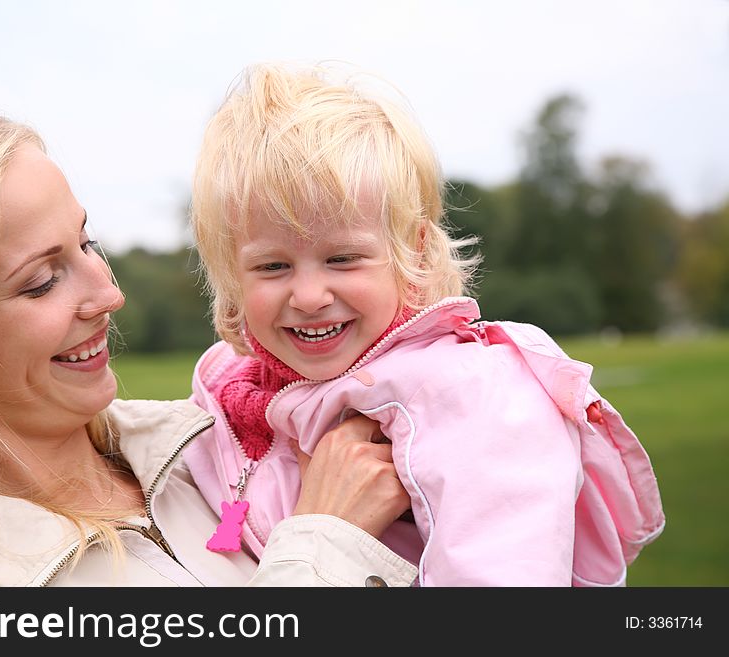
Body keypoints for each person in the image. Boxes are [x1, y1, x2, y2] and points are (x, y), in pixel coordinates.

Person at [0, 105, 418, 587]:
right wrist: (326, 543)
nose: (108, 294)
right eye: (40, 282)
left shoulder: (228, 444)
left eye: (86, 243)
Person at [183, 62, 666, 586]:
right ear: (232, 275)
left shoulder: (470, 394)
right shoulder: (234, 387)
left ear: (410, 252)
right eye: (273, 266)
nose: (309, 296)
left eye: (343, 259)